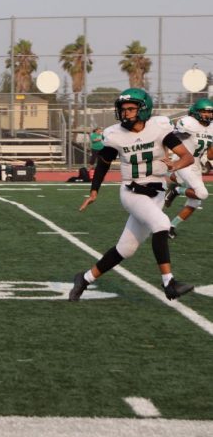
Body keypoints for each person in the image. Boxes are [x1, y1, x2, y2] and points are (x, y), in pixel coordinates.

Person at [70, 88, 195, 303]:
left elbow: (187, 156)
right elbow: (103, 164)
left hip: (156, 193)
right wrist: (94, 191)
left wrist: (175, 165)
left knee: (125, 249)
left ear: (143, 109)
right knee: (162, 225)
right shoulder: (114, 134)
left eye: (130, 109)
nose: (125, 113)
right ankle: (169, 283)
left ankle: (84, 278)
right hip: (132, 191)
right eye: (123, 109)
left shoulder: (159, 127)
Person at [162, 98, 213, 237]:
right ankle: (176, 190)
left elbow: (210, 156)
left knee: (195, 202)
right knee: (202, 193)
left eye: (210, 112)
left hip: (195, 165)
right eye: (204, 111)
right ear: (196, 112)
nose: (208, 115)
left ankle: (171, 226)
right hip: (183, 161)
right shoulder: (188, 123)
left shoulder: (211, 127)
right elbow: (168, 138)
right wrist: (166, 155)